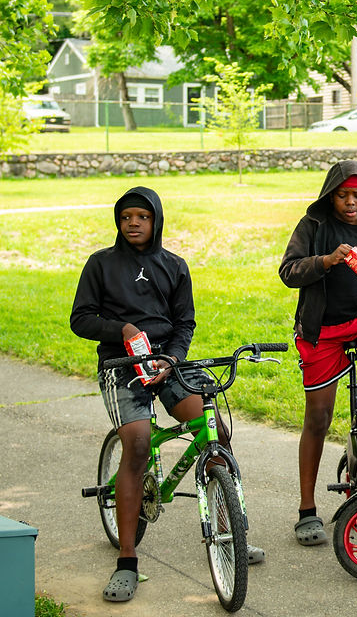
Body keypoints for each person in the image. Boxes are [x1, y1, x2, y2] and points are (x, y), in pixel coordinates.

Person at [70, 186, 263, 604]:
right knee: (137, 445)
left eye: (142, 216)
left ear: (156, 220)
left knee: (216, 434)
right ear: (118, 222)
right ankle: (126, 560)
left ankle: (233, 533)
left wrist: (171, 359)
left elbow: (184, 323)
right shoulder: (100, 265)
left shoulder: (173, 265)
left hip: (167, 364)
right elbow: (81, 318)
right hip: (121, 368)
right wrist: (120, 330)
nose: (134, 223)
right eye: (126, 217)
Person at [279, 159, 357, 547]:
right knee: (318, 417)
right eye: (342, 195)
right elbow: (288, 272)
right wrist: (326, 261)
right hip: (323, 332)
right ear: (330, 195)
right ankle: (306, 509)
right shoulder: (313, 227)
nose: (351, 203)